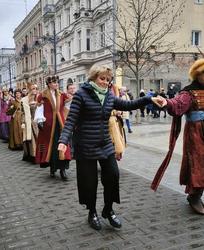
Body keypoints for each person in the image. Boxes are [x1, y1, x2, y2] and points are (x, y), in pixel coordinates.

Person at [58, 64, 160, 230]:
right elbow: (71, 120)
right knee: (89, 182)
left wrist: (149, 99)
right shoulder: (81, 95)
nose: (105, 82)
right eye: (102, 78)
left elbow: (128, 105)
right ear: (93, 78)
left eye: (108, 79)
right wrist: (63, 140)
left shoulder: (109, 96)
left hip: (105, 143)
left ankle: (108, 209)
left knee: (113, 175)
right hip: (86, 145)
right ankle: (92, 212)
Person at [151, 58, 204, 215]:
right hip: (196, 134)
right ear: (197, 75)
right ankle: (194, 197)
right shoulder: (188, 92)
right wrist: (166, 102)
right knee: (198, 165)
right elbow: (177, 104)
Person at [35, 75, 72, 181]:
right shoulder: (42, 95)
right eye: (54, 82)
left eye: (57, 82)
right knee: (50, 147)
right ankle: (52, 167)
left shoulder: (62, 94)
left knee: (62, 144)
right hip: (48, 126)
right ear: (49, 84)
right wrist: (40, 120)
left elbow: (67, 106)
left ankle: (63, 170)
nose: (56, 84)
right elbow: (39, 109)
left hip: (60, 124)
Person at [21, 84, 38, 162]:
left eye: (36, 88)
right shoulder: (24, 100)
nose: (35, 90)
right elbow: (23, 113)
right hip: (29, 122)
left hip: (38, 121)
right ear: (30, 90)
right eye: (33, 88)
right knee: (32, 139)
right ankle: (33, 155)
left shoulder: (39, 98)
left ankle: (40, 155)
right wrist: (23, 122)